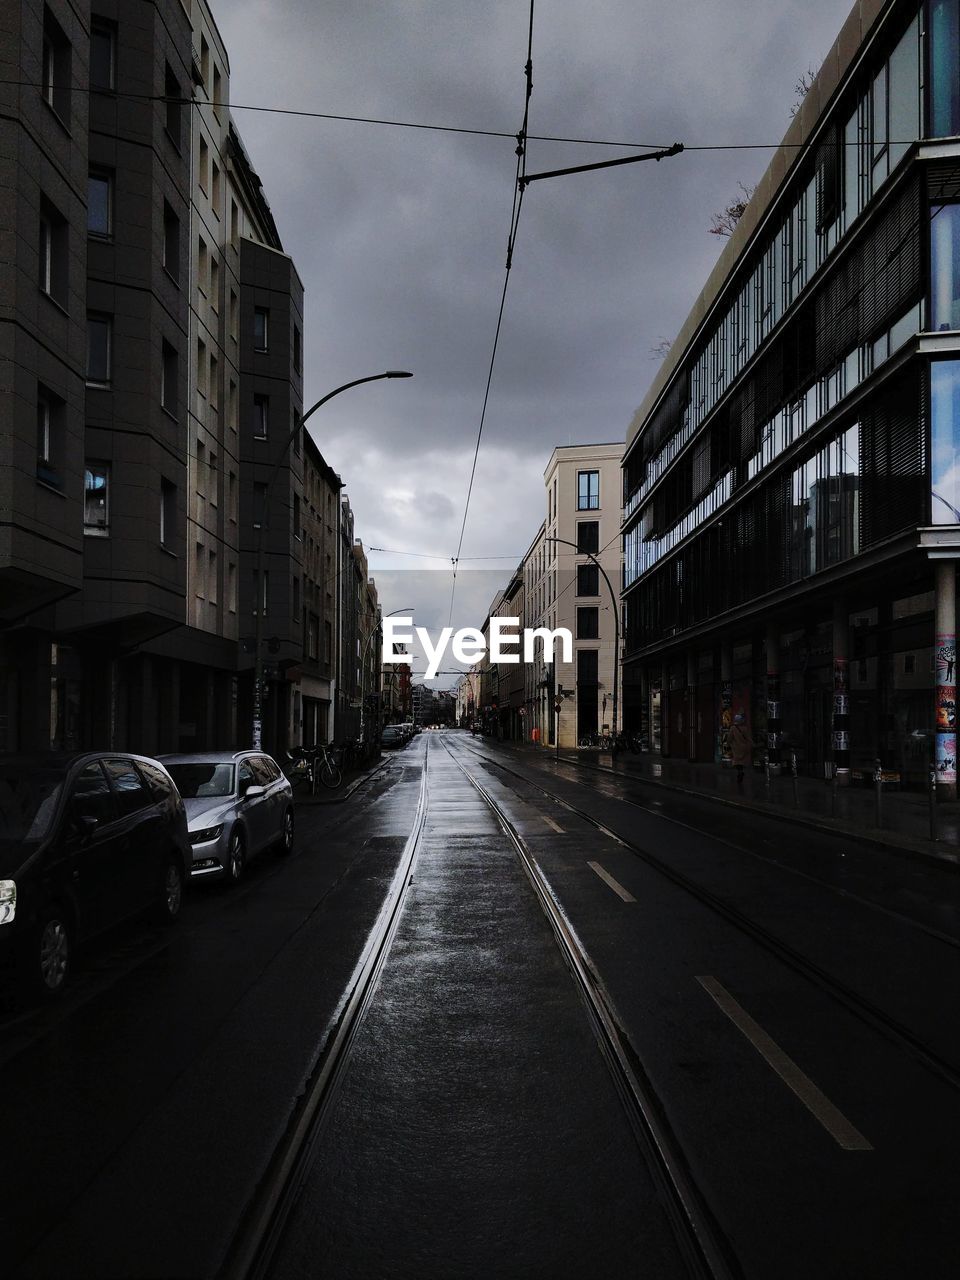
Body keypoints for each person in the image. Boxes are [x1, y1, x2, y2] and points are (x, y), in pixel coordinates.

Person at [729, 712, 752, 786]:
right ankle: (741, 771)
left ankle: (740, 772)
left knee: (737, 761)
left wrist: (728, 743)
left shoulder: (732, 728)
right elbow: (748, 737)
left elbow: (729, 738)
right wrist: (752, 744)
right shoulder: (745, 728)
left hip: (736, 747)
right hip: (743, 747)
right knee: (741, 761)